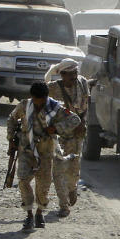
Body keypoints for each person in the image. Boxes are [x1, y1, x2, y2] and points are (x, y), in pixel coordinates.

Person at [7, 82, 81, 230]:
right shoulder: (25, 105)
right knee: (23, 180)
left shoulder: (55, 108)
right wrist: (11, 139)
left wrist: (56, 128)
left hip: (46, 152)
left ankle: (39, 212)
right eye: (35, 100)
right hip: (26, 150)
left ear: (46, 97)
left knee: (43, 186)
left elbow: (75, 120)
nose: (37, 104)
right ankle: (29, 214)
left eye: (40, 100)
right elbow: (12, 119)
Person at [46, 59, 90, 218]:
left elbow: (86, 103)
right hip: (59, 135)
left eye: (75, 73)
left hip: (77, 134)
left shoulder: (82, 83)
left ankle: (72, 188)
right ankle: (63, 205)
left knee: (74, 166)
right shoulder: (53, 89)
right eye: (70, 74)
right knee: (58, 169)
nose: (74, 77)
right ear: (62, 75)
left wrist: (82, 122)